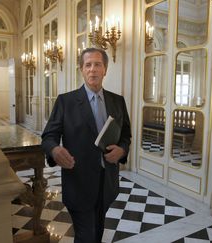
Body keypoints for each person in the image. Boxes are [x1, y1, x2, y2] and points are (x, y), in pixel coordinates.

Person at [41, 48, 131, 243]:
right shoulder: (66, 101)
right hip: (78, 182)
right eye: (88, 65)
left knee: (97, 230)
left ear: (105, 69)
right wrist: (55, 150)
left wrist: (122, 149)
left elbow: (126, 135)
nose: (93, 70)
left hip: (106, 182)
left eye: (98, 64)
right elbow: (48, 136)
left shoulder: (118, 101)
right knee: (86, 235)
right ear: (81, 69)